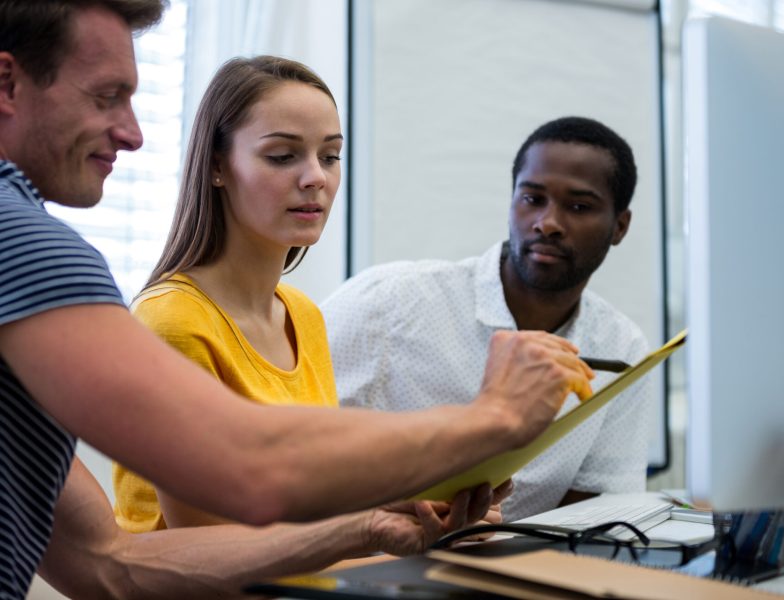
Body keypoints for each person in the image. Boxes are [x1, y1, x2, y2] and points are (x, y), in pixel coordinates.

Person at [0, 1, 592, 597]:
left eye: (330, 156)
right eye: (106, 97)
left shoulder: (302, 313)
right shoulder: (36, 248)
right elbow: (249, 468)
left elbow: (107, 565)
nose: (134, 133)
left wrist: (375, 525)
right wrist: (492, 420)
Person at [112, 54, 508, 548]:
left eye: (330, 156)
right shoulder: (171, 319)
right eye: (282, 156)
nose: (316, 178)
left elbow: (305, 500)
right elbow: (210, 541)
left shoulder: (302, 315)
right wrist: (374, 526)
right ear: (217, 167)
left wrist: (418, 507)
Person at [322, 116, 655, 522]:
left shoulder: (622, 349)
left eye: (579, 206)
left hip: (519, 575)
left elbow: (596, 513)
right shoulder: (386, 304)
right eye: (532, 199)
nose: (547, 223)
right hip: (366, 565)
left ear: (619, 226)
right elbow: (292, 457)